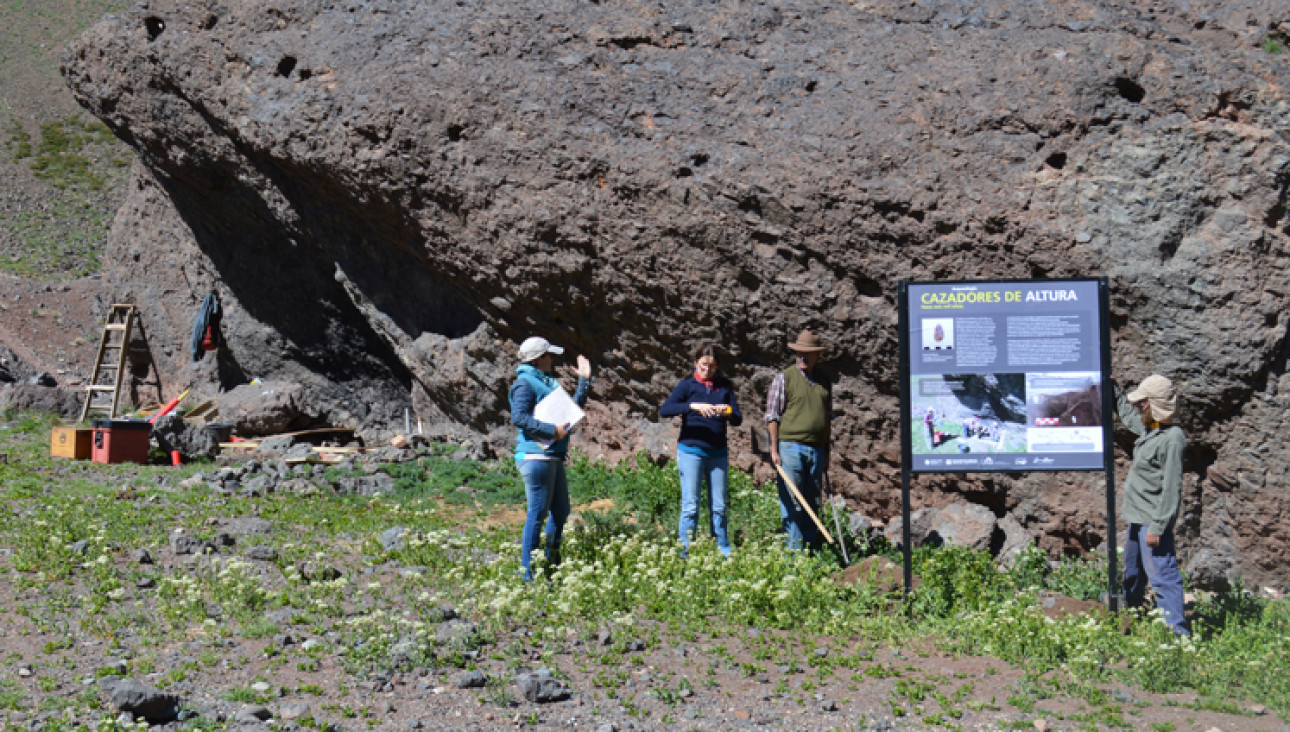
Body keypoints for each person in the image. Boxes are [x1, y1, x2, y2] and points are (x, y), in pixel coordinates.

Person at [510, 336, 593, 582]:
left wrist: (584, 381)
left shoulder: (545, 382)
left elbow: (571, 413)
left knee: (560, 511)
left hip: (552, 457)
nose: (552, 359)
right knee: (537, 513)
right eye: (548, 355)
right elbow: (519, 417)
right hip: (536, 457)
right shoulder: (525, 383)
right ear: (539, 359)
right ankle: (529, 573)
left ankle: (551, 564)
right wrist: (552, 431)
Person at [1113, 374, 1189, 634]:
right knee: (1133, 571)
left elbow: (1172, 487)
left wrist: (1158, 526)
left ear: (1155, 404)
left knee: (1162, 575)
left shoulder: (1173, 437)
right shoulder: (1153, 428)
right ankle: (1132, 615)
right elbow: (1129, 417)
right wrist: (1114, 390)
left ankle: (1177, 634)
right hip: (1137, 516)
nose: (1138, 407)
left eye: (1143, 403)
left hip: (1151, 521)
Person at [659, 344, 743, 556]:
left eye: (712, 366)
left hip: (718, 452)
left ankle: (723, 551)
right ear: (696, 363)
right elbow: (666, 410)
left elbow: (738, 419)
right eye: (704, 365)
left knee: (719, 506)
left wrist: (728, 411)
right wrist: (693, 406)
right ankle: (685, 552)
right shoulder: (687, 386)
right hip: (691, 451)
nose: (708, 370)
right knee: (691, 505)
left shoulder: (724, 387)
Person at [765, 329, 833, 551]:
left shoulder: (824, 382)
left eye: (808, 353)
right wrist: (774, 449)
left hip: (817, 450)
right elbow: (772, 415)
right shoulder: (784, 378)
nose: (802, 357)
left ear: (817, 356)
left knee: (813, 502)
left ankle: (810, 549)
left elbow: (827, 418)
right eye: (799, 353)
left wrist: (827, 452)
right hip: (790, 448)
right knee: (794, 501)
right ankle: (795, 555)